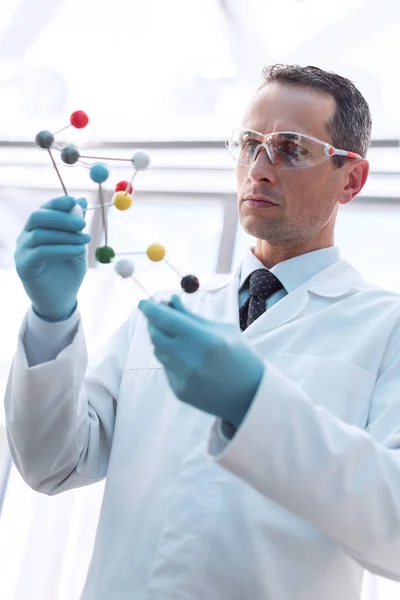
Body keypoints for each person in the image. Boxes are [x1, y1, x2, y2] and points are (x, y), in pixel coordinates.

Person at [4, 64, 400, 600]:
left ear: (351, 179)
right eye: (251, 144)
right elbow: (53, 463)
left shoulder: (385, 329)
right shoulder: (168, 308)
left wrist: (256, 404)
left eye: (292, 149)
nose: (260, 169)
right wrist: (51, 320)